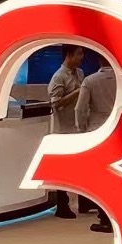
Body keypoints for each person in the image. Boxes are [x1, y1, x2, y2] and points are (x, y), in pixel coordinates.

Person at [77, 62, 119, 233]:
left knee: (100, 177)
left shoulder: (90, 80)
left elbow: (80, 108)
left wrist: (82, 128)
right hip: (118, 129)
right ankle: (117, 215)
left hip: (96, 130)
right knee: (116, 176)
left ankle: (104, 217)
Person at [46, 46, 85, 219]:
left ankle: (85, 202)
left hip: (77, 128)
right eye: (79, 53)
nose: (82, 57)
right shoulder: (58, 77)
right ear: (69, 55)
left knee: (81, 166)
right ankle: (62, 205)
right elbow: (55, 103)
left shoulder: (80, 73)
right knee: (63, 169)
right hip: (63, 129)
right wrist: (78, 91)